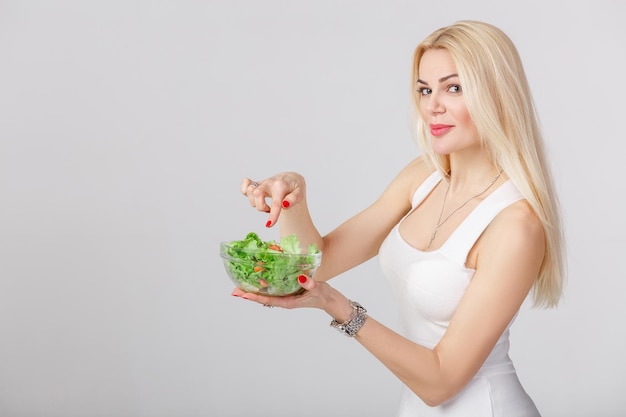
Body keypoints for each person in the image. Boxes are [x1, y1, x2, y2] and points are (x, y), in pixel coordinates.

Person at [231, 20, 565, 417]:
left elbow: (441, 381)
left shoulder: (515, 225)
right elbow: (315, 262)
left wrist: (336, 306)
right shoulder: (422, 178)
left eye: (453, 87)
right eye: (425, 89)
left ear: (498, 95)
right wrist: (293, 199)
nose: (432, 106)